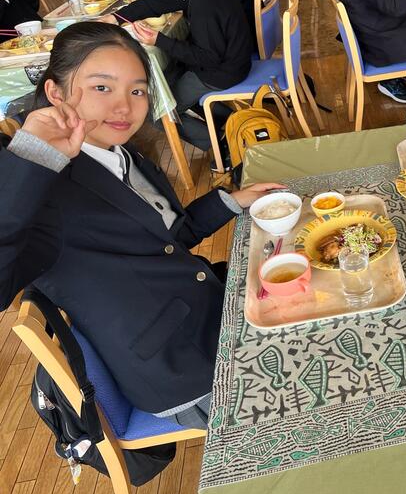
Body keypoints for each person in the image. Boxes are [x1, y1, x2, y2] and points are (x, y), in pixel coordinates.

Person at [0, 22, 283, 428]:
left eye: (136, 91)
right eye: (102, 87)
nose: (124, 107)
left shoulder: (123, 156)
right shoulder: (42, 190)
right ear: (56, 93)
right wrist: (30, 157)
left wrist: (230, 201)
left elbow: (166, 239)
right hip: (183, 371)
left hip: (210, 315)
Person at [106, 0, 253, 150]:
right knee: (168, 80)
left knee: (156, 109)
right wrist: (117, 16)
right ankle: (231, 125)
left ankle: (222, 145)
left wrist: (159, 40)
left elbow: (209, 57)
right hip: (228, 60)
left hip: (223, 70)